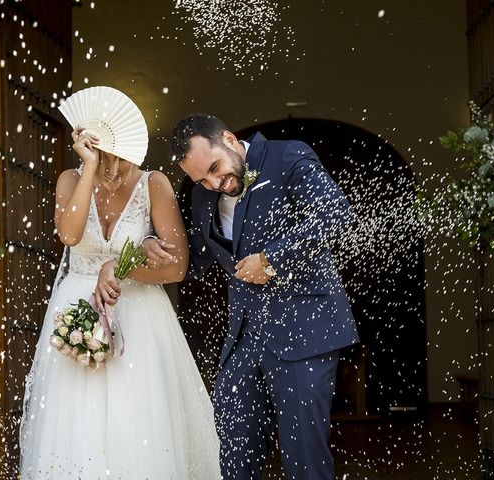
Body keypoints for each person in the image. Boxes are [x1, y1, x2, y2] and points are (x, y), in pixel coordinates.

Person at [142, 114, 359, 480]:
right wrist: (149, 240)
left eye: (215, 168)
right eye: (202, 179)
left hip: (302, 332)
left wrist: (271, 260)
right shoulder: (202, 194)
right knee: (232, 458)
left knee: (304, 460)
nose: (214, 183)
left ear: (228, 138)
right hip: (243, 340)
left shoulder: (287, 156)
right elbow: (191, 262)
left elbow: (334, 214)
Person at [19, 102, 220, 478]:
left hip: (141, 312)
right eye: (104, 160)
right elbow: (69, 235)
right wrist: (89, 170)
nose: (113, 172)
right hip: (78, 304)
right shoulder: (69, 180)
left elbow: (176, 267)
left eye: (120, 161)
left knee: (138, 419)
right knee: (77, 418)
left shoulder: (153, 184)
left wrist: (124, 268)